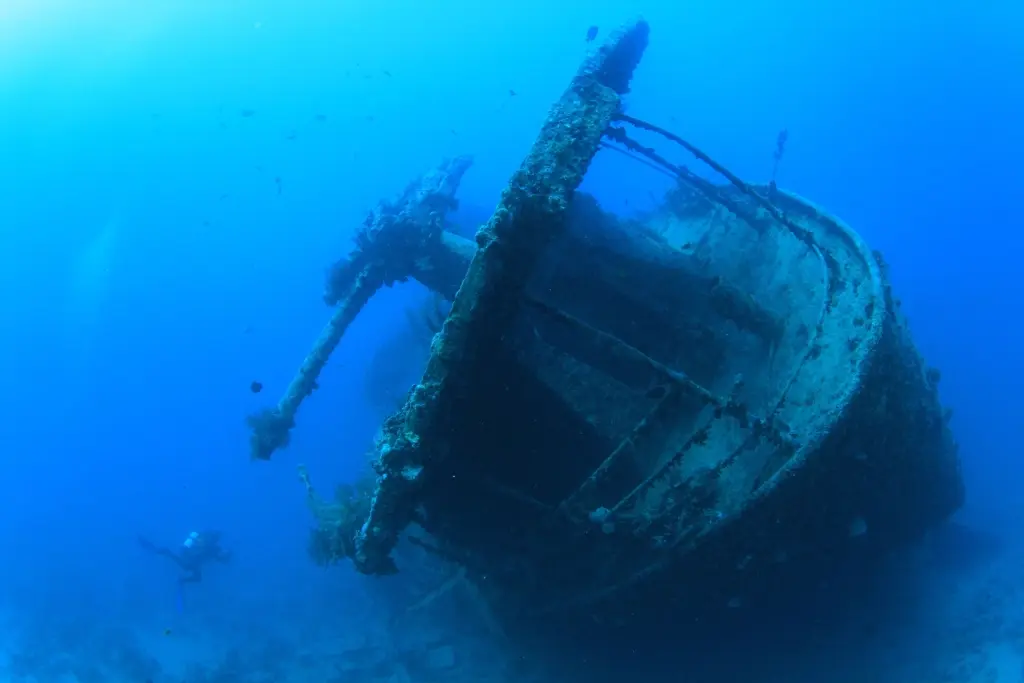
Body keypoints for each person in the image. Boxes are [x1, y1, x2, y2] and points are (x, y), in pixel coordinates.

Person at [138, 530, 232, 584]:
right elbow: (202, 553)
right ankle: (162, 550)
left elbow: (203, 558)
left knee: (194, 574)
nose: (223, 554)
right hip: (189, 555)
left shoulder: (215, 552)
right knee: (188, 567)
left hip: (191, 557)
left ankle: (181, 579)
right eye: (225, 554)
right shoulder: (214, 549)